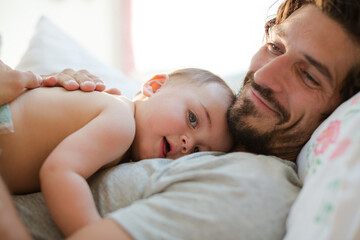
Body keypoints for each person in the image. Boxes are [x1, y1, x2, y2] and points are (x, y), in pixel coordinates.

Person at [1, 0, 360, 239]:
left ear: (343, 108)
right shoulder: (126, 118)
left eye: (309, 76)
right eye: (275, 47)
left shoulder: (256, 187)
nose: (265, 77)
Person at [0, 67, 234, 237]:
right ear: (154, 86)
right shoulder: (121, 122)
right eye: (192, 118)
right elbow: (60, 171)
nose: (187, 142)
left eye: (197, 151)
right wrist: (88, 231)